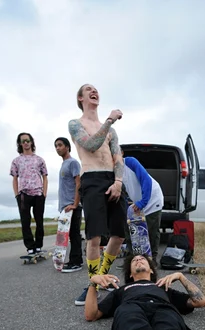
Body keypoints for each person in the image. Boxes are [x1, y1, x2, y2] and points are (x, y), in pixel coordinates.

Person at [68, 84, 126, 305]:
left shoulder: (111, 131)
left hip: (113, 180)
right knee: (94, 238)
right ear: (81, 98)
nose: (94, 91)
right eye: (88, 89)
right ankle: (93, 285)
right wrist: (109, 120)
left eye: (96, 89)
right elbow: (91, 145)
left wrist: (119, 182)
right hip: (91, 179)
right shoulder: (76, 124)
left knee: (119, 235)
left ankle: (102, 277)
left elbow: (117, 158)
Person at [122, 149, 163, 265]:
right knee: (131, 230)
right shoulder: (112, 171)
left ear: (121, 154)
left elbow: (146, 180)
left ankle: (152, 261)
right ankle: (132, 261)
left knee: (150, 231)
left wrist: (142, 202)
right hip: (137, 201)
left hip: (152, 198)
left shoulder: (130, 162)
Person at [10, 133, 48, 254]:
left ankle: (38, 245)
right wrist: (17, 195)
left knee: (39, 222)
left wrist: (44, 193)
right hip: (23, 195)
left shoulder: (39, 160)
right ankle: (30, 247)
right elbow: (15, 178)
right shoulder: (16, 161)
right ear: (20, 144)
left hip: (38, 194)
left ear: (31, 142)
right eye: (23, 141)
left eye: (27, 140)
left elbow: (45, 177)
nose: (26, 143)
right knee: (25, 222)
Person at [54, 137, 83, 272]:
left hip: (72, 205)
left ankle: (76, 262)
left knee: (74, 234)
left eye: (60, 145)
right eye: (56, 146)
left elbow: (79, 183)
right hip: (65, 207)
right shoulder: (63, 164)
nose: (57, 148)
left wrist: (75, 204)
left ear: (67, 146)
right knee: (69, 235)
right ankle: (73, 260)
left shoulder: (73, 163)